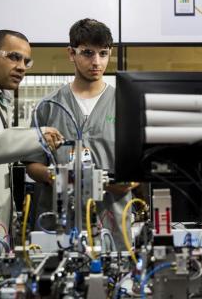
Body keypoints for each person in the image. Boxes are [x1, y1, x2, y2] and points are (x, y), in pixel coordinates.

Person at [26, 18, 134, 250]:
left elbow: (138, 170)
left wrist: (126, 182)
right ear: (71, 53)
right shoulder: (48, 106)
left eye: (103, 53)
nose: (96, 62)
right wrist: (62, 178)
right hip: (57, 223)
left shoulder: (126, 105)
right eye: (87, 53)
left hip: (111, 224)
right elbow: (33, 166)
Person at [0, 30, 63, 235]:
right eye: (14, 57)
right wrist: (36, 137)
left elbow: (0, 144)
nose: (22, 67)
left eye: (26, 61)